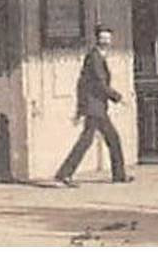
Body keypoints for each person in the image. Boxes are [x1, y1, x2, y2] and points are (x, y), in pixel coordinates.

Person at [55, 25, 130, 186]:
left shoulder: (98, 56)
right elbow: (99, 84)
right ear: (97, 39)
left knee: (103, 139)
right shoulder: (94, 57)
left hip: (96, 106)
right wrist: (118, 97)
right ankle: (65, 174)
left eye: (108, 38)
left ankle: (118, 175)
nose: (106, 41)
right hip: (95, 107)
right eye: (103, 38)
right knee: (98, 140)